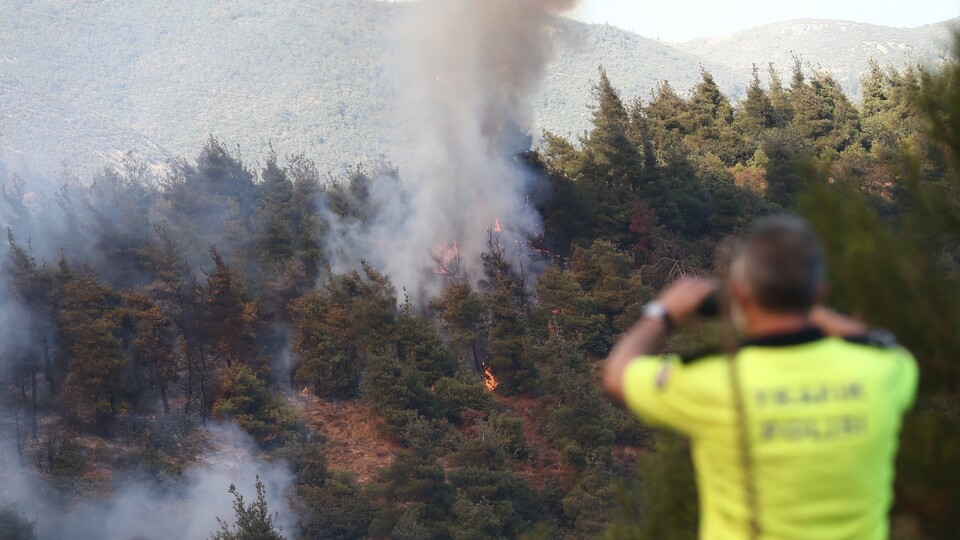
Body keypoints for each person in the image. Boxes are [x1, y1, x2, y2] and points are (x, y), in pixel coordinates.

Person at [602, 216, 918, 540]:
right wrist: (803, 307)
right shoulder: (883, 372)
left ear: (740, 292)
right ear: (820, 292)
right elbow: (882, 345)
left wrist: (662, 313)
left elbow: (617, 374)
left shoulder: (711, 382)